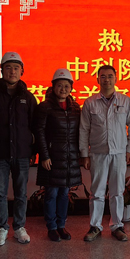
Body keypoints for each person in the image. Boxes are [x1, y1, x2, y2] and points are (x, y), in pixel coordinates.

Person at [0, 52, 37, 246]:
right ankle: (2, 228)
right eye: (8, 67)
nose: (12, 71)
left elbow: (35, 127)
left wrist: (33, 151)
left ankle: (19, 227)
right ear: (2, 70)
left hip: (22, 153)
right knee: (0, 194)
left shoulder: (28, 97)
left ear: (22, 71)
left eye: (16, 68)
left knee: (21, 194)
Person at [79, 65, 130, 242]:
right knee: (96, 192)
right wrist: (85, 154)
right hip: (98, 153)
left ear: (116, 78)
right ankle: (95, 226)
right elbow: (84, 130)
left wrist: (129, 149)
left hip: (119, 154)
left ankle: (117, 226)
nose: (107, 80)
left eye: (110, 76)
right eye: (103, 76)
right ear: (97, 79)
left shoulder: (125, 101)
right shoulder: (90, 103)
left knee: (117, 192)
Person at [34, 68, 82, 242]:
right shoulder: (44, 107)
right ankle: (52, 227)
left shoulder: (75, 108)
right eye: (60, 85)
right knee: (51, 193)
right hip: (52, 158)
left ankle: (61, 225)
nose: (63, 89)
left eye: (66, 86)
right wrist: (44, 156)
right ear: (53, 87)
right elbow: (39, 132)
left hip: (69, 159)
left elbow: (79, 133)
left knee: (64, 194)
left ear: (71, 88)